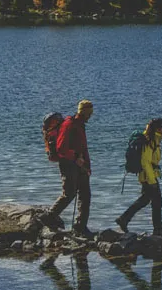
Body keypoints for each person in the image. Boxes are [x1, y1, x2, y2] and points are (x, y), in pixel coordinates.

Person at [45, 99, 94, 238]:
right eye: (89, 113)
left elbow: (84, 148)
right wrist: (75, 158)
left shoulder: (80, 125)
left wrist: (87, 166)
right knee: (69, 193)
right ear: (82, 112)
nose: (90, 116)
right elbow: (61, 148)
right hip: (68, 164)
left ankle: (80, 227)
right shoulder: (69, 124)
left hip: (80, 164)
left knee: (85, 196)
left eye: (91, 113)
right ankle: (49, 217)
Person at [116, 118, 162, 237]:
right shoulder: (149, 141)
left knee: (145, 200)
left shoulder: (153, 139)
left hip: (148, 175)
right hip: (148, 176)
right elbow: (146, 162)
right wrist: (152, 181)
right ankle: (158, 229)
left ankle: (124, 219)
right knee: (157, 202)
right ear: (158, 128)